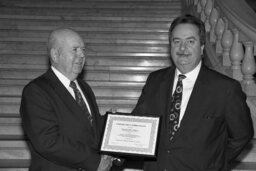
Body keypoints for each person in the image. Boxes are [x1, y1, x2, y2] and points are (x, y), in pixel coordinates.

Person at [132, 14, 254, 171]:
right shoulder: (155, 80)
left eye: (190, 41)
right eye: (177, 42)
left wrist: (214, 161)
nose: (182, 49)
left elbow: (242, 135)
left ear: (202, 47)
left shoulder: (225, 89)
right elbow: (138, 123)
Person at [20, 28, 113, 171]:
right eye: (75, 50)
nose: (82, 55)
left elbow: (87, 126)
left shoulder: (84, 87)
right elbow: (48, 141)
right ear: (55, 55)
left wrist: (111, 124)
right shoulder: (36, 91)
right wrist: (94, 162)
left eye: (83, 50)